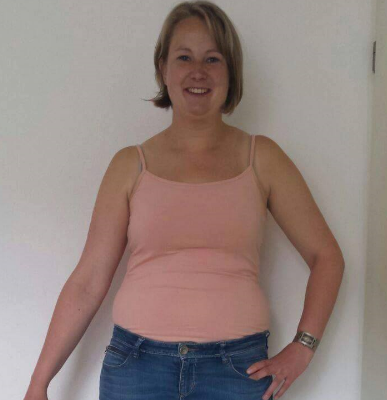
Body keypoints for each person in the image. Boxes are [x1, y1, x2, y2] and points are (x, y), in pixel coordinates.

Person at [24, 1, 345, 400]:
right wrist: (38, 383)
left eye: (213, 58)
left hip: (236, 372)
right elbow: (88, 283)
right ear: (163, 68)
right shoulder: (130, 165)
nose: (198, 71)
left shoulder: (262, 159)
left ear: (231, 71)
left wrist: (304, 347)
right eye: (184, 57)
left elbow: (327, 257)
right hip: (136, 370)